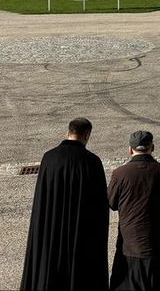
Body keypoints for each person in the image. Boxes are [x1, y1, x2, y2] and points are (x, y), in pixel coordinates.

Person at [21, 118, 109, 291]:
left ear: (68, 132)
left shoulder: (49, 158)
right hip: (81, 231)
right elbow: (100, 205)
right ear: (87, 135)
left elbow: (42, 197)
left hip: (51, 227)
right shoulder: (92, 161)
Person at [107, 130, 160, 291]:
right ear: (152, 147)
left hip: (130, 243)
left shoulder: (120, 174)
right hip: (158, 241)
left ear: (130, 149)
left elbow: (112, 203)